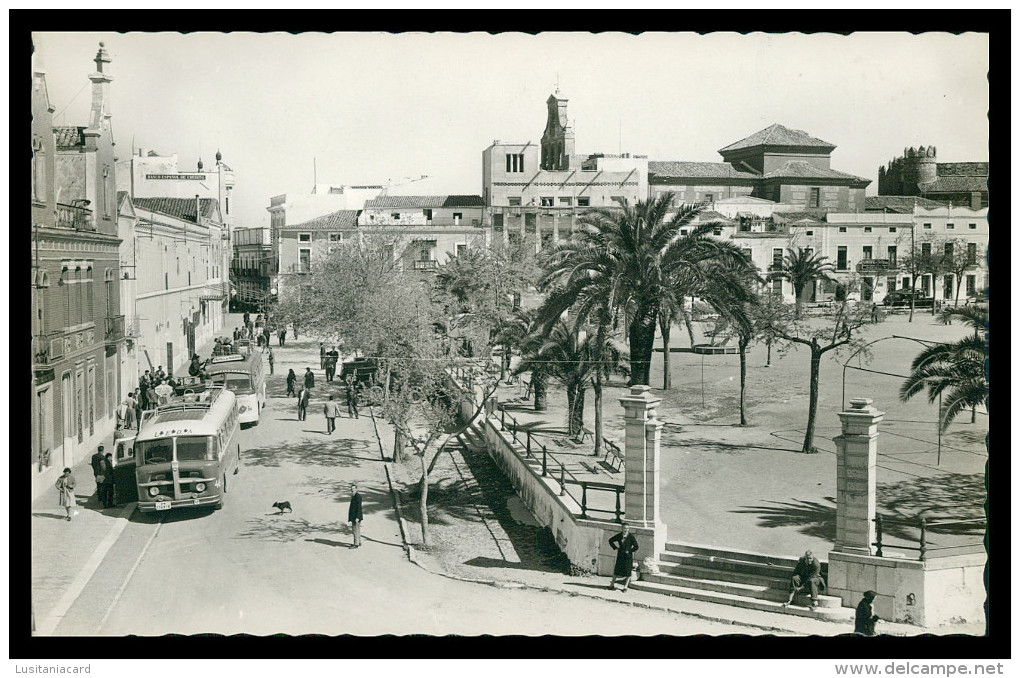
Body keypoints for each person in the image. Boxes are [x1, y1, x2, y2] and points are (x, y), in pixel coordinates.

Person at [608, 522, 639, 592]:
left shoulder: (631, 537)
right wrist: (615, 548)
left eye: (627, 528)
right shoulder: (619, 535)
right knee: (616, 571)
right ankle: (611, 585)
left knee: (628, 572)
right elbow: (610, 540)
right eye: (624, 528)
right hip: (620, 555)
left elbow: (636, 546)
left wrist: (630, 551)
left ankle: (625, 587)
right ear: (622, 528)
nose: (626, 530)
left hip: (628, 557)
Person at [348, 483, 363, 548]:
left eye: (353, 489)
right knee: (357, 530)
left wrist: (357, 517)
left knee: (355, 530)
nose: (352, 490)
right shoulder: (354, 496)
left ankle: (356, 544)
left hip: (356, 517)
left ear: (356, 489)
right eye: (351, 489)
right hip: (355, 516)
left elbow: (359, 508)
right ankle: (359, 542)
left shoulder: (357, 497)